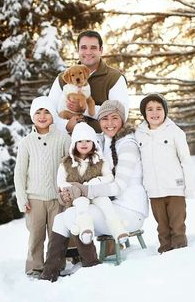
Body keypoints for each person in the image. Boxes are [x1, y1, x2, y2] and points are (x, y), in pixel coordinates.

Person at [40, 100, 149, 282]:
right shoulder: (105, 143)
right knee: (61, 218)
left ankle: (91, 266)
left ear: (122, 120)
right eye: (104, 118)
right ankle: (49, 273)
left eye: (115, 118)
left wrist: (83, 190)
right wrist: (68, 192)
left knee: (72, 216)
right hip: (113, 207)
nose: (109, 123)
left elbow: (118, 186)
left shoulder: (127, 145)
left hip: (130, 212)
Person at [14, 96, 71, 278]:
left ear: (53, 115)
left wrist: (69, 193)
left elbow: (70, 167)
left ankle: (56, 265)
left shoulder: (63, 139)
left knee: (57, 235)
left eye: (46, 111)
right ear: (32, 116)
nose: (42, 116)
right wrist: (22, 198)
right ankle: (34, 267)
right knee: (36, 236)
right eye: (38, 112)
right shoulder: (27, 142)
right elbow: (20, 173)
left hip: (57, 198)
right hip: (34, 198)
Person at [135, 93, 195, 254]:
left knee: (177, 226)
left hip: (175, 188)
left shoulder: (175, 132)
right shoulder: (139, 134)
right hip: (154, 191)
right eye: (150, 109)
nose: (154, 113)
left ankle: (180, 253)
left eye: (158, 108)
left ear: (165, 111)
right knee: (162, 228)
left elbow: (186, 161)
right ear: (144, 113)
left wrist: (189, 188)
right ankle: (165, 253)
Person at [57, 122, 128, 245]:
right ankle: (85, 228)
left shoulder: (100, 160)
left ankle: (118, 229)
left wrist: (96, 181)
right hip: (78, 195)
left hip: (96, 192)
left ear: (93, 143)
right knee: (81, 204)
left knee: (105, 202)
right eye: (80, 141)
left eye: (88, 141)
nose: (84, 144)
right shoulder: (65, 163)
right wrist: (72, 188)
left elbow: (109, 177)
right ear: (74, 144)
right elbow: (61, 182)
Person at [48, 30, 129, 133]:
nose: (88, 52)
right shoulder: (63, 78)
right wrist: (66, 126)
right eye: (83, 47)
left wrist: (85, 108)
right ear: (78, 50)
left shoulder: (114, 78)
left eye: (93, 48)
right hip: (68, 139)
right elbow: (50, 112)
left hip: (102, 141)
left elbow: (122, 113)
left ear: (101, 50)